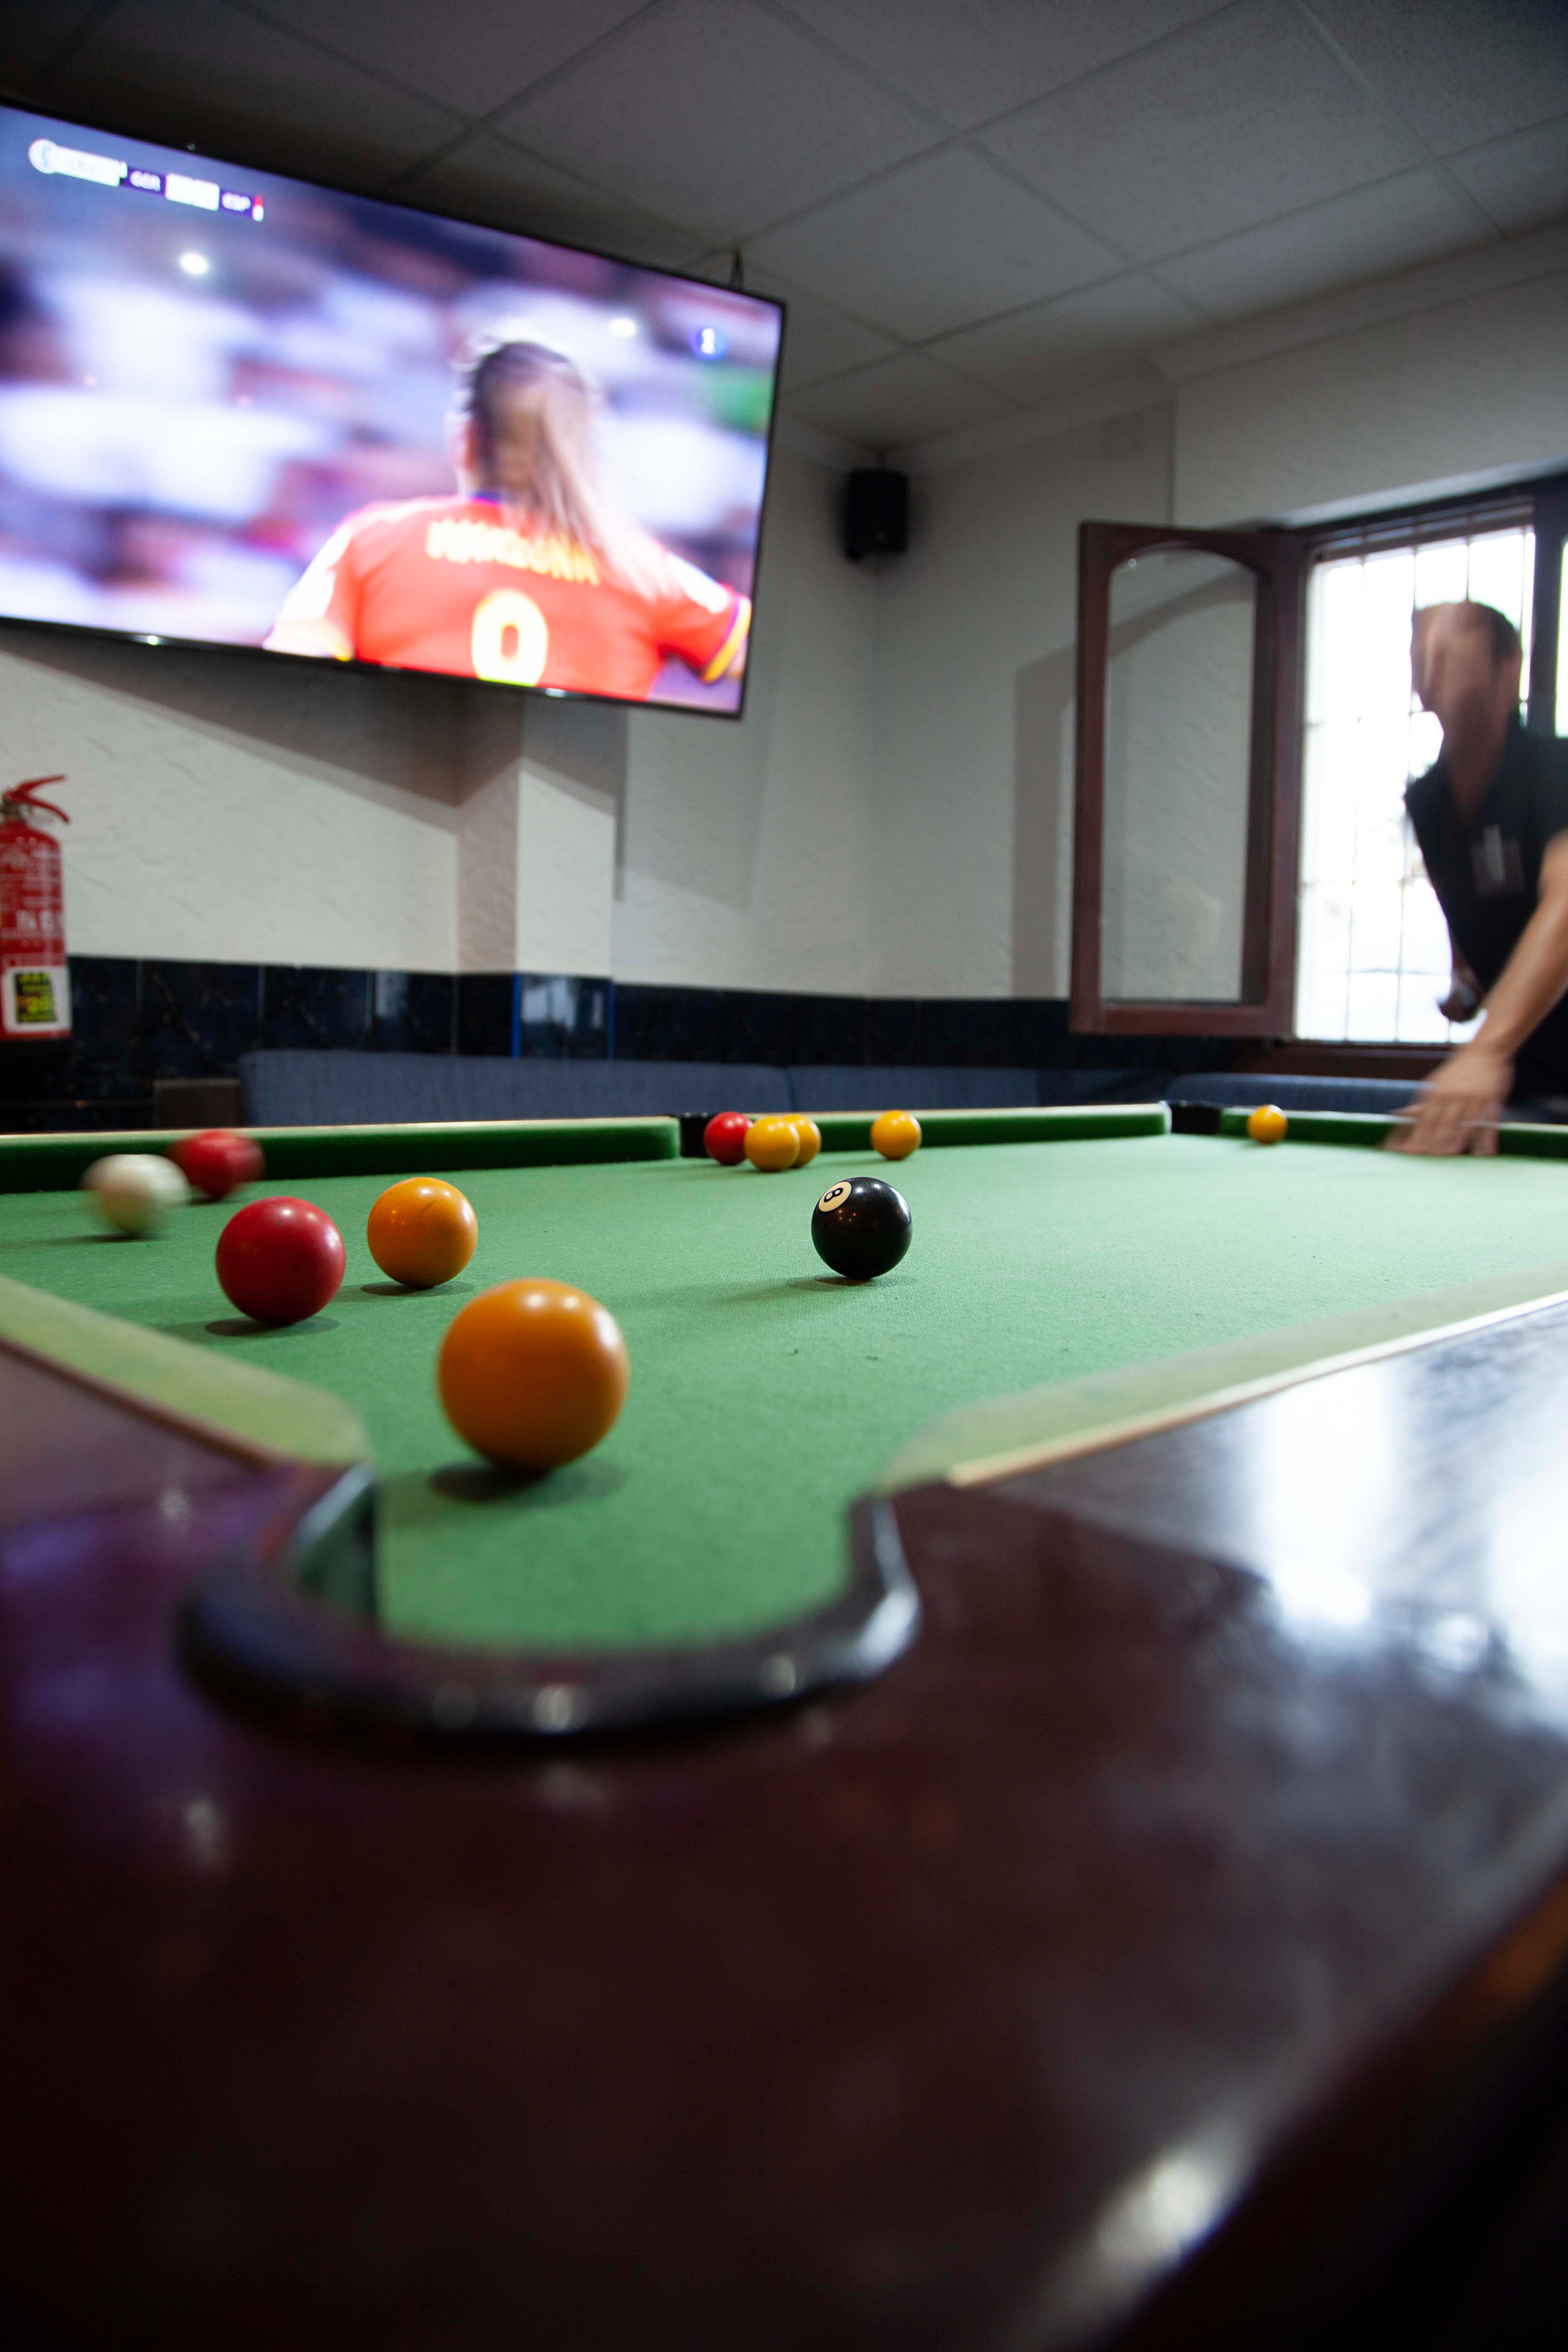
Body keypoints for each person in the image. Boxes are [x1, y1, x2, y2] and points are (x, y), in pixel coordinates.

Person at [265, 339, 750, 702]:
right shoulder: (643, 570)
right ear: (581, 452)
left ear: (465, 438)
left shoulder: (374, 537)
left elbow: (293, 667)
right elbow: (761, 654)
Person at [1394, 599, 1568, 1155]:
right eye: (1420, 647)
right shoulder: (1427, 801)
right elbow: (1467, 914)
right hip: (1527, 1088)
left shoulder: (1557, 769)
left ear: (1507, 666)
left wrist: (1486, 1051)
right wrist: (1464, 982)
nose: (1430, 657)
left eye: (1451, 644)